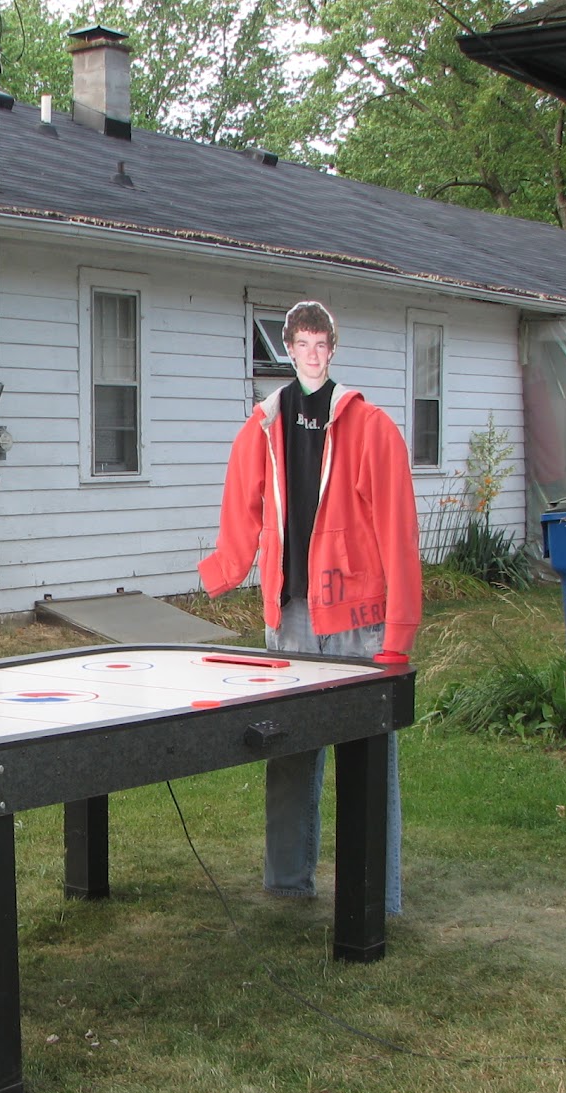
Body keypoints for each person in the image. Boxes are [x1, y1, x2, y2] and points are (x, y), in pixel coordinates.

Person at [197, 301, 420, 914]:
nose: (313, 354)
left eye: (322, 344)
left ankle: (377, 893)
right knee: (288, 748)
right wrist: (224, 570)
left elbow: (398, 529)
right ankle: (286, 883)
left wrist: (399, 627)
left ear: (332, 349)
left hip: (357, 619)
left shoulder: (371, 427)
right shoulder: (263, 426)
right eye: (302, 343)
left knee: (369, 756)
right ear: (289, 349)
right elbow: (241, 505)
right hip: (289, 616)